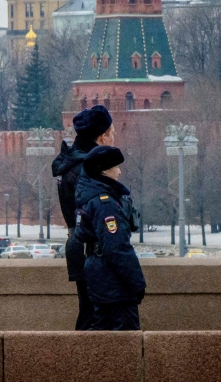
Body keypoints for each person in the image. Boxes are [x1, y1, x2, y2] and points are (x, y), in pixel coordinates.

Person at [52, 105, 115, 330]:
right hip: (93, 249)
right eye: (112, 133)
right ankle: (83, 363)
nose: (114, 139)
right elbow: (99, 212)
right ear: (101, 136)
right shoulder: (88, 167)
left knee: (90, 312)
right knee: (96, 318)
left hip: (78, 244)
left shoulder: (70, 162)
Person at [75, 145, 145, 331]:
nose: (120, 171)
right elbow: (116, 247)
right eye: (116, 167)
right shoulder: (106, 204)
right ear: (104, 170)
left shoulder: (91, 197)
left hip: (99, 273)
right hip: (113, 281)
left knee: (102, 332)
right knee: (125, 338)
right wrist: (136, 281)